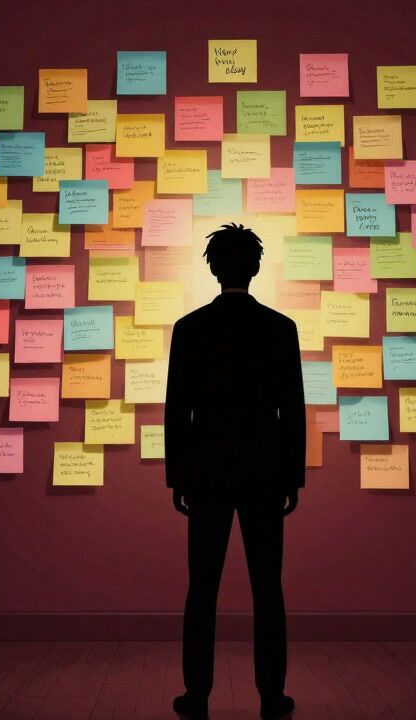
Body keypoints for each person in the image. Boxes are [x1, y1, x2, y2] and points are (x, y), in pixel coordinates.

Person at [165, 223, 306, 720]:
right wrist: (293, 477)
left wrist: (175, 477)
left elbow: (177, 410)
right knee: (268, 587)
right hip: (265, 472)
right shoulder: (279, 328)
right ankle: (272, 696)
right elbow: (292, 410)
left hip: (205, 472)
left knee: (201, 587)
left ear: (213, 266)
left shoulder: (189, 328)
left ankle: (196, 695)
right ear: (256, 266)